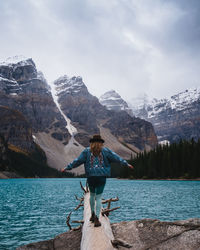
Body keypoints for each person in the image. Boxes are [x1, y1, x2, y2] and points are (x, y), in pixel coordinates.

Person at [61, 134, 134, 227]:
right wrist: (126, 164)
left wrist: (67, 167)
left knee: (92, 195)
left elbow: (77, 161)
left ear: (91, 143)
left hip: (91, 176)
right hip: (101, 177)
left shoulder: (86, 151)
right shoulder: (106, 151)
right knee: (99, 197)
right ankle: (97, 218)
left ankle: (92, 214)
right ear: (101, 143)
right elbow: (116, 158)